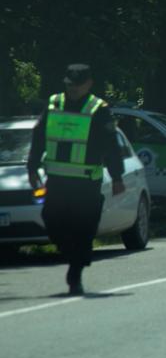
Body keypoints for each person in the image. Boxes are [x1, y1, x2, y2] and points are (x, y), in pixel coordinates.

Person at [27, 64, 125, 295]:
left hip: (86, 183)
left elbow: (111, 145)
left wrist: (118, 176)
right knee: (51, 220)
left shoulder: (99, 109)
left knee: (83, 230)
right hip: (58, 181)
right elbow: (38, 136)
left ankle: (75, 273)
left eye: (79, 85)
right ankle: (72, 255)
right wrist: (32, 168)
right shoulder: (54, 104)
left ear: (89, 84)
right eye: (70, 84)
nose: (74, 89)